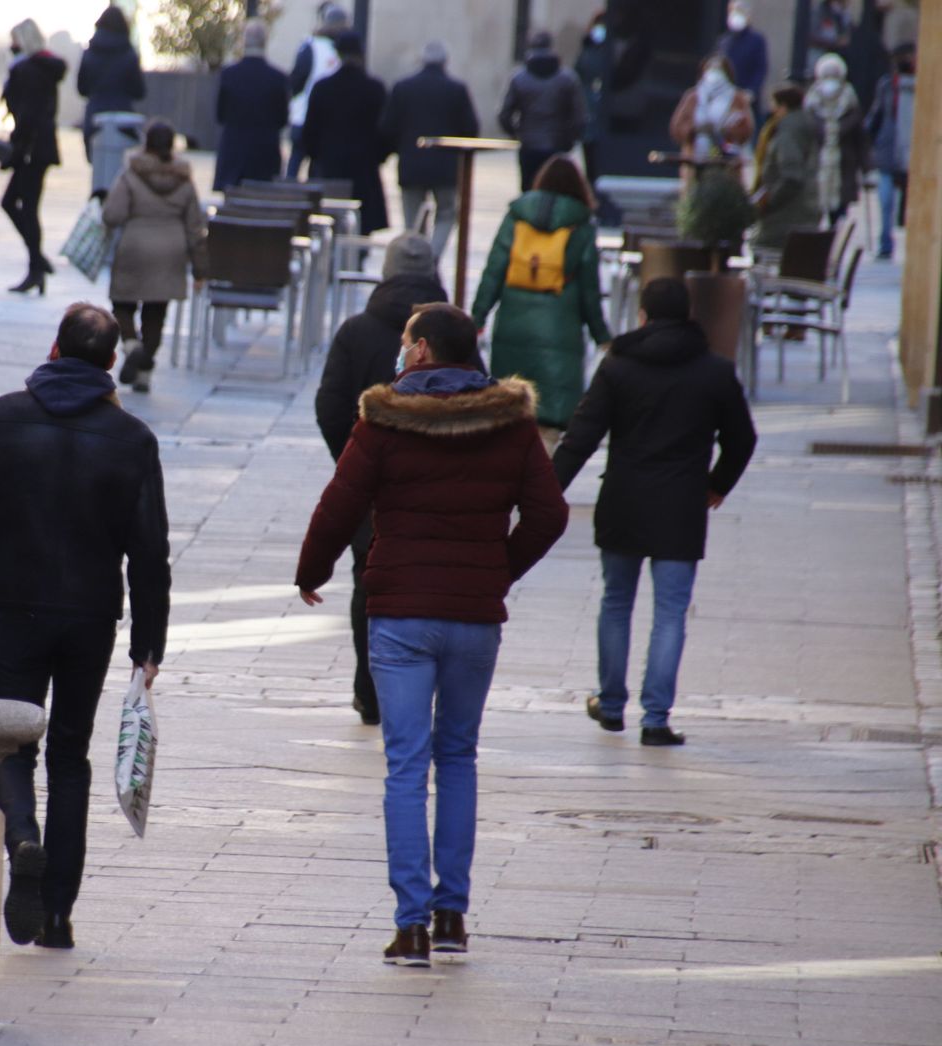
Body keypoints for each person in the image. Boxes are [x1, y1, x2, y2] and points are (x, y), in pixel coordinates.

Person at [295, 303, 568, 967]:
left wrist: (312, 567)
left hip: (401, 615)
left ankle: (410, 926)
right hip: (473, 617)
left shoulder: (386, 417)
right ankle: (452, 917)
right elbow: (548, 513)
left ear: (420, 352)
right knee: (459, 756)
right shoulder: (511, 420)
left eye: (404, 341)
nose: (400, 351)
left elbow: (342, 501)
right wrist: (496, 571)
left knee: (406, 765)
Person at [0, 303, 171, 951]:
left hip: (21, 603)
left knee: (10, 739)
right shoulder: (132, 439)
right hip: (91, 615)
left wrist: (1, 546)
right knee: (70, 755)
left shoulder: (7, 415)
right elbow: (150, 552)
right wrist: (150, 645)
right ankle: (59, 915)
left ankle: (22, 837)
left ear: (54, 350)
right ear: (112, 364)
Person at [553, 278, 757, 747]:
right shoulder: (714, 371)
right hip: (682, 506)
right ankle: (656, 719)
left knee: (615, 602)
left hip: (624, 499)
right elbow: (743, 439)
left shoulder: (619, 365)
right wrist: (717, 484)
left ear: (641, 317)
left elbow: (581, 437)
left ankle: (609, 706)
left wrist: (544, 492)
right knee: (670, 613)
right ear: (688, 317)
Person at [313, 234, 448, 726]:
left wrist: (352, 462)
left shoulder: (357, 332)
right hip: (435, 492)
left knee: (367, 583)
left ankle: (369, 693)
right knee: (428, 586)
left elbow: (329, 408)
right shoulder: (453, 338)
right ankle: (413, 694)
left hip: (370, 493)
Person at [470, 155, 610, 449]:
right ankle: (536, 483)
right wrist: (602, 337)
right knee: (548, 424)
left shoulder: (516, 217)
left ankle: (505, 482)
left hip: (513, 327)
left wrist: (478, 317)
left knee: (510, 414)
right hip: (561, 332)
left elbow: (494, 271)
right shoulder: (581, 225)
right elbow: (589, 291)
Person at [103, 121, 208, 394]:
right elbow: (195, 227)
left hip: (134, 247)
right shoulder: (184, 180)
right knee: (156, 313)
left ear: (146, 143)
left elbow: (112, 215)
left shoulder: (130, 174)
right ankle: (144, 375)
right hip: (171, 252)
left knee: (122, 304)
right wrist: (200, 269)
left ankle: (131, 346)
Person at [379, 41, 479, 260]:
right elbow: (471, 128)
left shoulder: (403, 87)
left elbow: (388, 127)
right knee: (446, 213)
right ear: (445, 62)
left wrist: (396, 150)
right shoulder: (456, 89)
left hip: (411, 164)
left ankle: (416, 260)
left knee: (413, 221)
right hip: (445, 166)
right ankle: (432, 257)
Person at [0, 19, 67, 296]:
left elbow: (25, 113)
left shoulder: (28, 70)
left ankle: (36, 267)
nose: (11, 47)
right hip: (40, 147)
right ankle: (37, 265)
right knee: (21, 205)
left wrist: (16, 147)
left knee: (21, 206)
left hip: (30, 149)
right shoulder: (45, 67)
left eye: (15, 41)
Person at [302, 31, 388, 235]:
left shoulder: (323, 88)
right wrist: (378, 157)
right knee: (361, 231)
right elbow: (385, 133)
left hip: (329, 168)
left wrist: (317, 157)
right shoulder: (374, 89)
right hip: (364, 170)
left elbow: (309, 133)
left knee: (328, 227)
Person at [499, 31, 588, 193]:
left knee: (528, 190)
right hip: (557, 145)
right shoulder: (567, 79)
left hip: (529, 145)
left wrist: (517, 134)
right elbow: (579, 116)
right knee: (556, 190)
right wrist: (570, 139)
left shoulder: (519, 79)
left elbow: (505, 115)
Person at [213, 20, 288, 192]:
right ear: (265, 41)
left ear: (244, 41)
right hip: (265, 152)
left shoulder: (228, 75)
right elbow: (282, 119)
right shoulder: (278, 78)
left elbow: (220, 115)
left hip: (233, 150)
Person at [752, 84, 822, 250]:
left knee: (755, 246)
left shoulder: (788, 132)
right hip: (805, 213)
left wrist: (768, 203)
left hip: (785, 221)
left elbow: (791, 176)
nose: (772, 112)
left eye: (774, 107)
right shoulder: (804, 125)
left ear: (783, 107)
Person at [285, 3, 349, 179]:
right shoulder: (344, 51)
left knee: (295, 164)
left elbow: (297, 80)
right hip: (330, 123)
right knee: (319, 172)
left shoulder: (310, 46)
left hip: (303, 116)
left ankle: (288, 199)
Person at [866, 43, 917, 260]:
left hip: (915, 151)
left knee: (913, 203)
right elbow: (877, 114)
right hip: (888, 148)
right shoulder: (887, 85)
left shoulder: (926, 85)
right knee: (886, 200)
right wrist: (867, 139)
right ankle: (885, 242)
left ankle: (916, 247)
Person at [77, 6, 146, 164]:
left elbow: (82, 89)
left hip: (95, 118)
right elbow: (139, 91)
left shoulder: (89, 53)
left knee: (98, 171)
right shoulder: (130, 55)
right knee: (121, 170)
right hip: (123, 119)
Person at [668, 55, 754, 179]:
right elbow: (677, 127)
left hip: (727, 160)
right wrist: (696, 129)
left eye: (719, 70)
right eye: (711, 69)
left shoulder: (737, 98)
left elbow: (746, 130)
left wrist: (726, 129)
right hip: (696, 158)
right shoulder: (693, 97)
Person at [806, 53, 864, 226]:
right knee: (814, 205)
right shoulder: (811, 103)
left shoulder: (850, 102)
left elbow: (861, 139)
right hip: (817, 164)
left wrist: (867, 168)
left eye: (834, 75)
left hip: (844, 165)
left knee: (838, 210)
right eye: (827, 75)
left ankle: (833, 236)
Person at [575, 14, 614, 189]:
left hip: (604, 117)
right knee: (590, 159)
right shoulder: (587, 49)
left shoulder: (611, 51)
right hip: (590, 113)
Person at [717, 1, 769, 128]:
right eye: (733, 11)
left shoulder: (757, 40)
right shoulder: (725, 41)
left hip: (746, 96)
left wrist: (751, 90)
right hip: (725, 96)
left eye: (740, 11)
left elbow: (760, 68)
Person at [808, 0, 854, 69]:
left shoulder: (844, 15)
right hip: (820, 58)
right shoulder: (819, 11)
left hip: (839, 59)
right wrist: (835, 42)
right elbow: (811, 36)